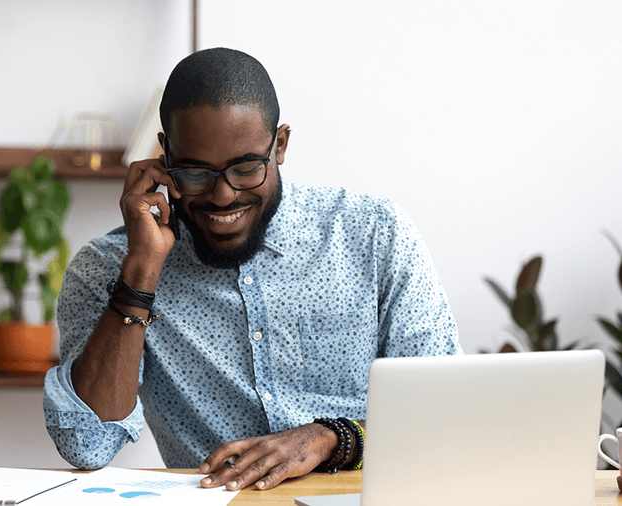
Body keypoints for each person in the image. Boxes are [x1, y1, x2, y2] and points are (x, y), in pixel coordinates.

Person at [43, 47, 462, 491]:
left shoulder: (374, 235)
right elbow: (85, 444)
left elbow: (446, 413)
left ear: (279, 146)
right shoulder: (108, 267)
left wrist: (329, 439)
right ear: (164, 156)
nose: (223, 196)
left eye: (245, 168)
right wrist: (141, 272)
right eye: (196, 172)